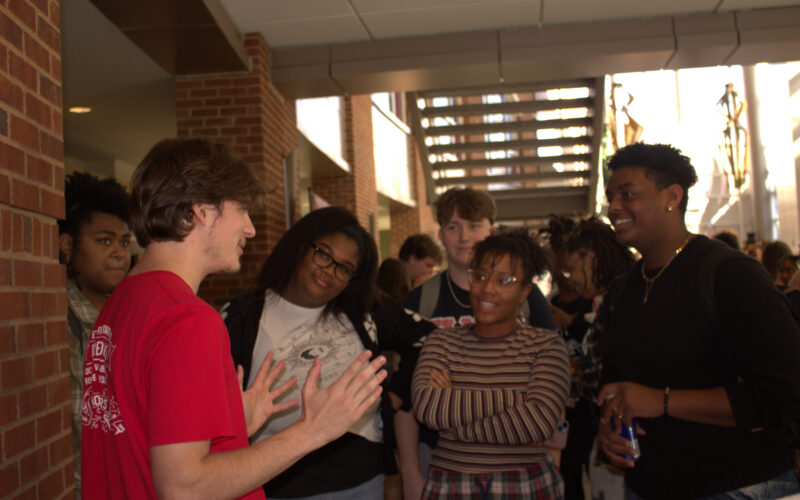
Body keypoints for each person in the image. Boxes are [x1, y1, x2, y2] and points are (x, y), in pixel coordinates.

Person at [81, 138, 387, 500]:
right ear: (202, 211)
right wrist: (311, 431)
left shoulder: (125, 300)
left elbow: (141, 440)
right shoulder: (187, 319)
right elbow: (184, 487)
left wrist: (231, 430)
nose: (250, 229)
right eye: (241, 210)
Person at [590, 143, 800, 500]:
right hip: (649, 484)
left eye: (628, 194)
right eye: (611, 196)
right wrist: (611, 423)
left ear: (672, 196)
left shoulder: (729, 274)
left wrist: (661, 401)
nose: (614, 207)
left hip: (735, 483)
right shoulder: (624, 290)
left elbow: (784, 392)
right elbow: (619, 383)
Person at [222, 206, 431, 499]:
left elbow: (427, 340)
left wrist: (393, 395)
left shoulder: (364, 310)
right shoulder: (242, 316)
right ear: (300, 247)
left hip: (361, 482)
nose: (329, 272)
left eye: (344, 268)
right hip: (275, 483)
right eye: (323, 254)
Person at [399, 187, 555, 499]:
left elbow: (549, 392)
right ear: (441, 235)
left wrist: (453, 396)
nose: (464, 236)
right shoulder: (420, 301)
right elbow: (406, 397)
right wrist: (410, 472)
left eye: (473, 225)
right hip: (438, 458)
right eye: (453, 227)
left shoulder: (528, 298)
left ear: (492, 231)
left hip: (518, 458)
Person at [59, 172, 132, 498]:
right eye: (104, 241)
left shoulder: (122, 314)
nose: (119, 252)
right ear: (67, 246)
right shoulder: (58, 320)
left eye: (124, 242)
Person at [556, 216, 635, 500]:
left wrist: (553, 384)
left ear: (590, 257)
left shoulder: (621, 298)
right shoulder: (625, 293)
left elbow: (602, 379)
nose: (571, 279)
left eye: (572, 268)